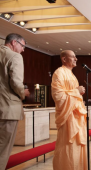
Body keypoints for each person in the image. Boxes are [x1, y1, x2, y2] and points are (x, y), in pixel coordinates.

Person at [51, 50, 88, 170]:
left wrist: (78, 93)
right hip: (68, 117)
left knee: (77, 147)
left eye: (75, 57)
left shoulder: (72, 75)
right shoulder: (59, 73)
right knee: (68, 147)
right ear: (64, 59)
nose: (76, 59)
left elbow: (74, 96)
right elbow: (58, 96)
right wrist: (77, 91)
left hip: (77, 117)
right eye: (73, 57)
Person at [0, 33, 30, 169]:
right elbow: (16, 83)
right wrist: (23, 93)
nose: (23, 49)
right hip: (7, 109)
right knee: (3, 149)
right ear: (14, 43)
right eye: (22, 46)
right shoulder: (15, 56)